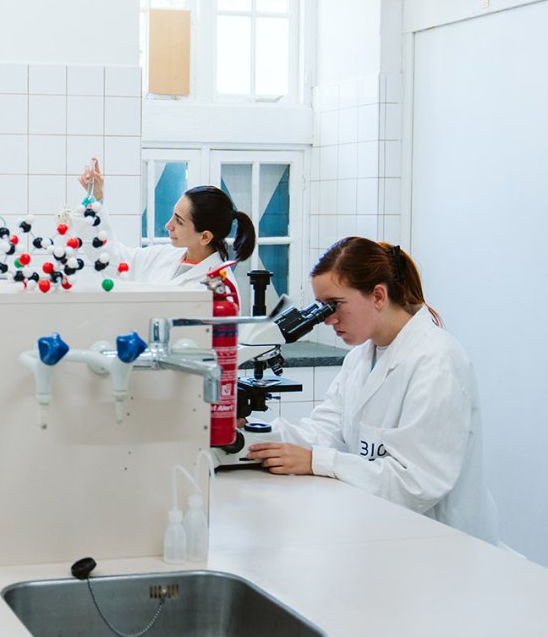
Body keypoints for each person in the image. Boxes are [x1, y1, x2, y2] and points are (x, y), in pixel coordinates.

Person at [246, 237, 500, 543]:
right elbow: (324, 430)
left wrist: (319, 461)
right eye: (321, 307)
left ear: (378, 295)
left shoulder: (436, 362)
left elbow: (416, 483)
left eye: (334, 305)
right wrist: (248, 438)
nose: (327, 319)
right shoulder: (361, 357)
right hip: (380, 531)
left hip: (438, 543)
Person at [78, 158, 256, 287]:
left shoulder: (220, 287)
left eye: (179, 221)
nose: (168, 225)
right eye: (173, 215)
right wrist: (96, 199)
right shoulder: (166, 255)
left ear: (205, 237)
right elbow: (113, 259)